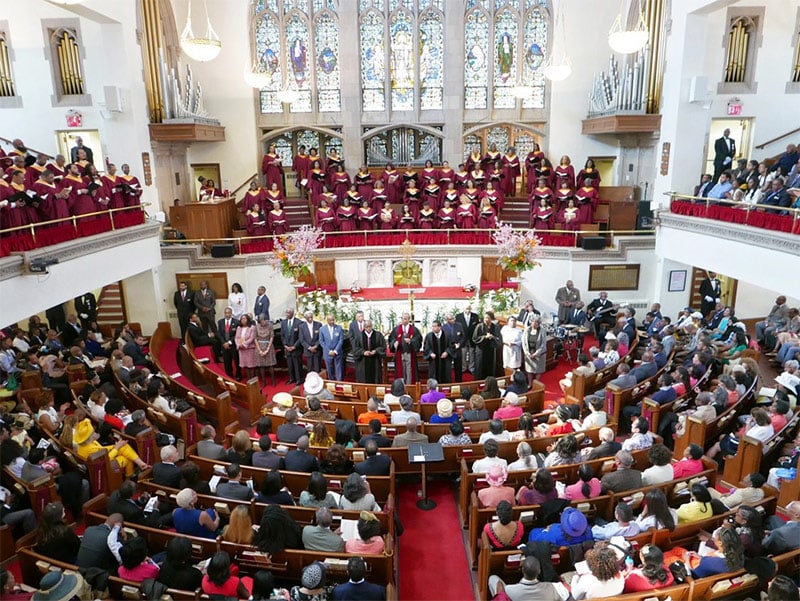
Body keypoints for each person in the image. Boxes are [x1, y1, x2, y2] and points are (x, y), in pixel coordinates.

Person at [488, 556, 563, 601]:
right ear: (539, 571)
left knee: (493, 578)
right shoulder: (551, 588)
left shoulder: (508, 590)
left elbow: (501, 596)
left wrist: (500, 591)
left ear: (522, 570)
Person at [521, 315, 547, 387]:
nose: (535, 323)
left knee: (538, 370)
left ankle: (536, 384)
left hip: (539, 354)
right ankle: (529, 384)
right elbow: (524, 342)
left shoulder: (542, 331)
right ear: (530, 322)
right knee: (529, 370)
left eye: (537, 322)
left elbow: (543, 344)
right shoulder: (527, 330)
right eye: (533, 322)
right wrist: (527, 352)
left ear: (539, 323)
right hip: (529, 353)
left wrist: (536, 353)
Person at [473, 312, 500, 380]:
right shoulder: (479, 326)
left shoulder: (495, 327)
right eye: (485, 318)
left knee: (490, 368)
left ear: (491, 319)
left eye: (488, 318)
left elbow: (498, 338)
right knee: (480, 367)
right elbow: (474, 338)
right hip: (481, 350)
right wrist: (485, 337)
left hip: (491, 350)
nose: (486, 319)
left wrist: (492, 337)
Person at [319, 314, 344, 381]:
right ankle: (332, 381)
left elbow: (341, 340)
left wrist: (335, 351)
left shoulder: (339, 328)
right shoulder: (322, 329)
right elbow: (321, 341)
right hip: (328, 353)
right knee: (329, 368)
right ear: (327, 321)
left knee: (338, 368)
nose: (332, 322)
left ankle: (339, 382)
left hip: (337, 352)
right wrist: (329, 351)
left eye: (333, 320)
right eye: (330, 320)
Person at [217, 307, 240, 380]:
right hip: (224, 345)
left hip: (233, 345)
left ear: (231, 313)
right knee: (227, 361)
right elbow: (219, 334)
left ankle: (238, 374)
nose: (227, 314)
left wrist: (229, 342)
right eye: (226, 313)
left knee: (236, 360)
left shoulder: (236, 322)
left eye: (228, 313)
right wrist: (224, 343)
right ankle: (229, 375)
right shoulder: (220, 322)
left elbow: (237, 334)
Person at [282, 308, 303, 385]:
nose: (287, 314)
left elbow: (301, 337)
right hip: (287, 348)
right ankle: (292, 378)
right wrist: (286, 346)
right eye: (286, 312)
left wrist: (294, 346)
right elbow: (283, 336)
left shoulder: (299, 322)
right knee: (290, 365)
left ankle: (299, 379)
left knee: (297, 365)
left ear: (293, 313)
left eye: (289, 313)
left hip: (296, 348)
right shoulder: (283, 322)